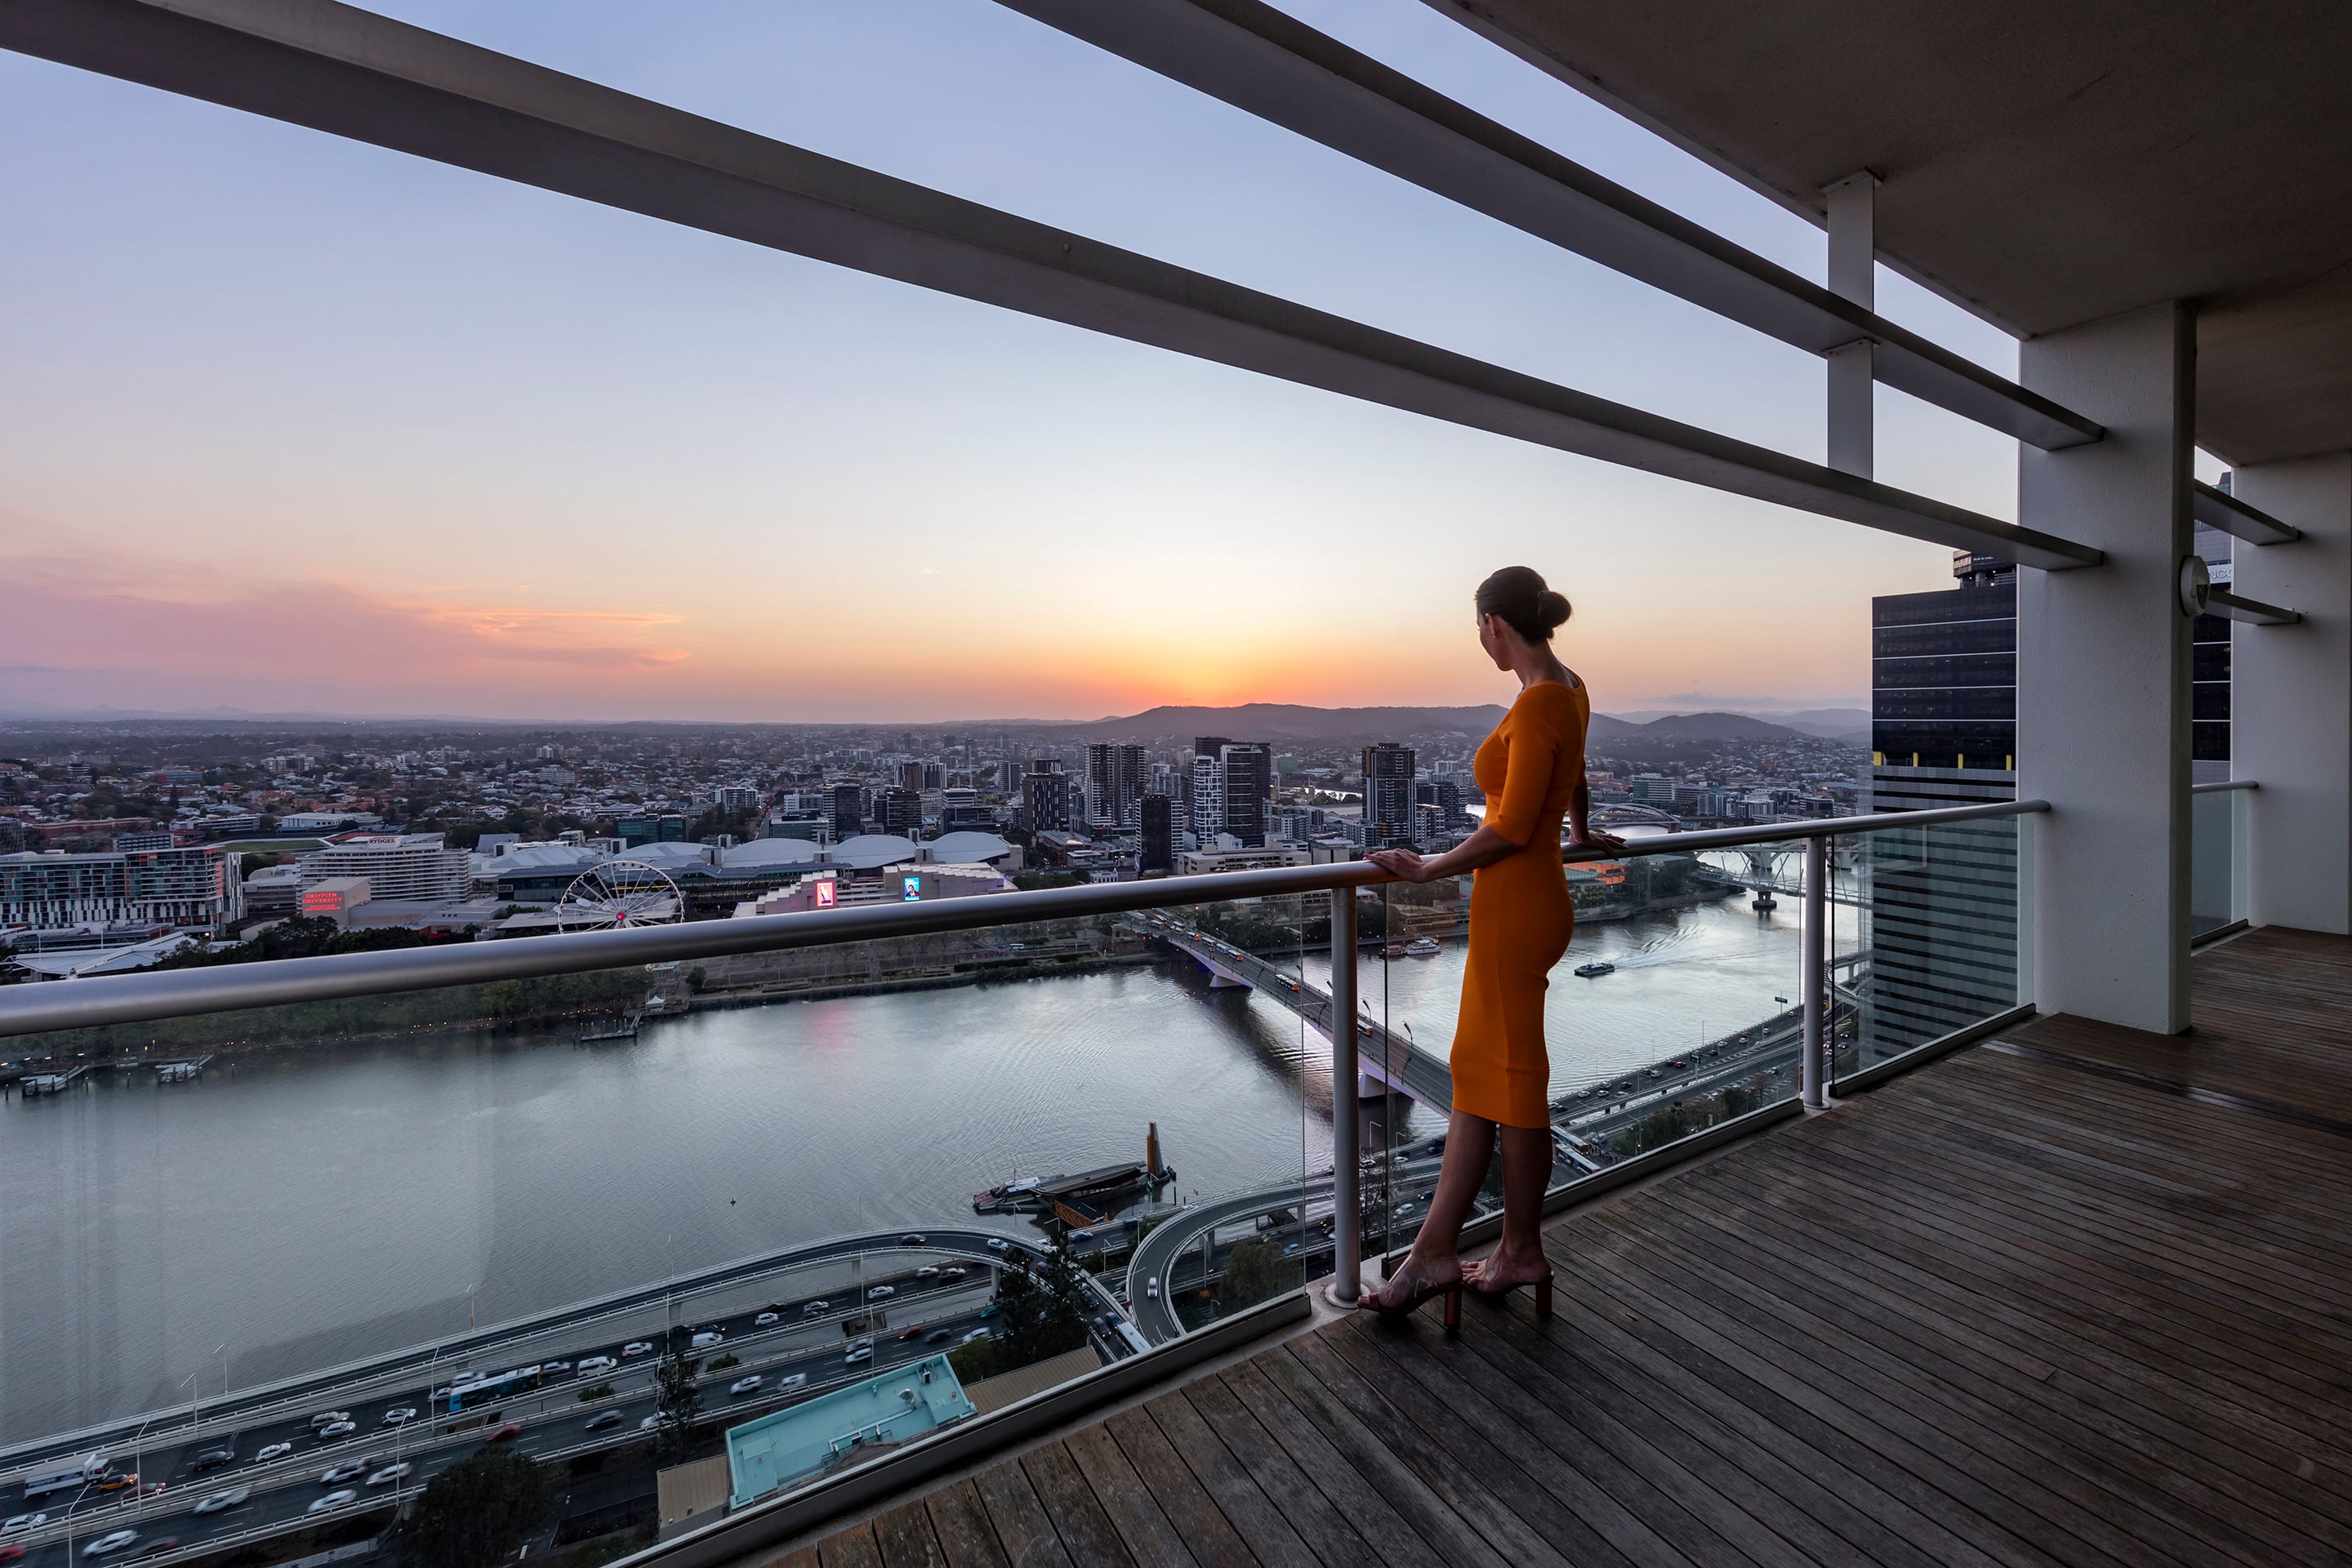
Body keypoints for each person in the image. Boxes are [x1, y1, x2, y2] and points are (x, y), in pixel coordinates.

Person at [1361, 565, 1621, 1320]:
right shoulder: (1569, 688)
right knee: (1482, 1077)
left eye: (1478, 628)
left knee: (1515, 1083)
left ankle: (1517, 1251)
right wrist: (1575, 831)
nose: (1479, 641)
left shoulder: (1542, 700)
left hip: (1516, 907)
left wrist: (1429, 868)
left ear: (1494, 625)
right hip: (1530, 899)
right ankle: (1439, 1254)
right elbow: (1567, 776)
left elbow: (1508, 826)